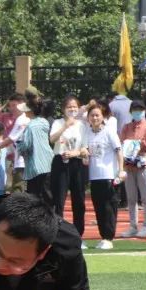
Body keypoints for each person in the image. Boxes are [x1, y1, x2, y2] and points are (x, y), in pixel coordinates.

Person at [82, 101, 124, 250]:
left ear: (103, 116)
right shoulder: (87, 132)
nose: (94, 118)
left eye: (97, 115)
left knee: (108, 208)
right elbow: (86, 151)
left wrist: (121, 170)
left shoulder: (109, 132)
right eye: (92, 115)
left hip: (109, 176)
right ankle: (103, 237)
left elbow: (119, 151)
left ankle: (108, 237)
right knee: (98, 208)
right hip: (95, 177)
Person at [49, 95, 87, 237]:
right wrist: (66, 125)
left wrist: (75, 153)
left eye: (74, 107)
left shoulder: (82, 125)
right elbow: (52, 139)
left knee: (79, 199)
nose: (72, 109)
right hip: (60, 162)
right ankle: (57, 232)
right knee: (58, 199)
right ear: (63, 109)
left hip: (76, 162)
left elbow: (85, 148)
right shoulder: (58, 122)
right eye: (69, 107)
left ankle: (78, 234)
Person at [118, 100, 146, 238]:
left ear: (144, 111)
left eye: (140, 110)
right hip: (129, 166)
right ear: (131, 112)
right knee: (131, 197)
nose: (137, 112)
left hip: (143, 165)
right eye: (135, 110)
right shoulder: (126, 127)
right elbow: (121, 143)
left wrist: (135, 147)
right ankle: (133, 226)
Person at [15, 93, 52, 208]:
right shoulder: (44, 122)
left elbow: (25, 145)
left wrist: (18, 146)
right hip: (48, 164)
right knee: (48, 197)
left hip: (35, 166)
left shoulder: (30, 126)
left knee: (34, 200)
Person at [0, 93, 30, 192]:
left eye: (14, 105)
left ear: (22, 105)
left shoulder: (22, 120)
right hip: (19, 161)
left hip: (23, 163)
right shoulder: (20, 119)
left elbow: (10, 139)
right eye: (10, 106)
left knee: (17, 191)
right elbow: (13, 142)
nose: (11, 108)